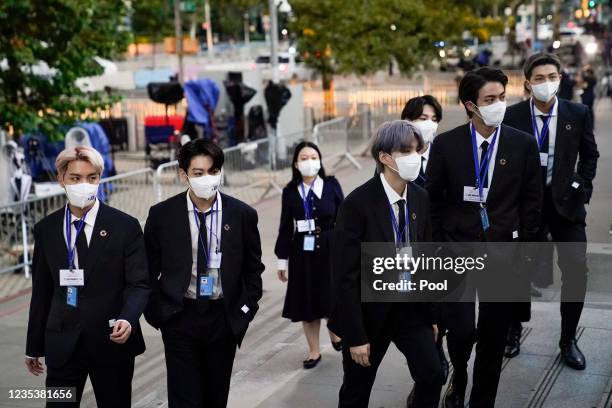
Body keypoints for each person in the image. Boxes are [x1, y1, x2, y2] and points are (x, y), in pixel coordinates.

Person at [426, 67, 542, 408]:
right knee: (461, 331)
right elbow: (434, 200)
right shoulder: (447, 145)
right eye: (490, 100)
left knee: (493, 339)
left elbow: (531, 203)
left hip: (503, 255)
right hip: (458, 250)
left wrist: (525, 253)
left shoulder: (522, 144)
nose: (498, 105)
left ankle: (482, 401)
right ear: (470, 106)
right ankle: (459, 373)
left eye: (502, 98)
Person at [25, 146, 150, 407]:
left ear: (99, 179)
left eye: (92, 178)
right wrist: (34, 345)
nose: (84, 184)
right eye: (75, 178)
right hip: (63, 343)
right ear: (61, 180)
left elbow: (139, 283)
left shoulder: (124, 226)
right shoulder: (46, 230)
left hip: (111, 341)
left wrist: (128, 319)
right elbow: (42, 291)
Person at [143, 139, 264, 408]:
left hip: (222, 316)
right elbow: (147, 269)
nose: (207, 178)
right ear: (183, 174)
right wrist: (159, 312)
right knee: (184, 397)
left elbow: (253, 268)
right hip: (179, 316)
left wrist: (245, 308)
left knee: (215, 395)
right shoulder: (163, 215)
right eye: (198, 173)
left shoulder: (242, 214)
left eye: (213, 171)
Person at [330, 120, 443, 408]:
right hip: (369, 315)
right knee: (356, 390)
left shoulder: (420, 197)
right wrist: (354, 336)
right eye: (405, 150)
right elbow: (345, 276)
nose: (414, 156)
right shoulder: (356, 204)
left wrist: (431, 315)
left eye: (417, 149)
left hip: (411, 309)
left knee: (432, 375)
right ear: (385, 157)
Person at [503, 53, 599, 369]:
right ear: (528, 83)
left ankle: (568, 339)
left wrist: (581, 189)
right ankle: (512, 331)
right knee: (516, 269)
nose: (547, 83)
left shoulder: (578, 112)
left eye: (552, 77)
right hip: (525, 206)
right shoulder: (512, 116)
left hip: (565, 205)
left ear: (561, 78)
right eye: (540, 78)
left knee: (575, 267)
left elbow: (589, 156)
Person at [275, 141, 344, 369]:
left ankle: (335, 331)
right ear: (296, 164)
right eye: (303, 158)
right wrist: (281, 260)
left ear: (320, 160)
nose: (309, 162)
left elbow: (344, 220)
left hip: (330, 247)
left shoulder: (332, 186)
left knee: (332, 296)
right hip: (301, 251)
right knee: (307, 301)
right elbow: (285, 227)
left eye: (313, 157)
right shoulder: (290, 191)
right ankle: (314, 351)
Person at [400, 95, 443, 189]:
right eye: (423, 119)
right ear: (407, 120)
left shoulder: (443, 155)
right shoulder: (393, 155)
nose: (430, 124)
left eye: (434, 120)